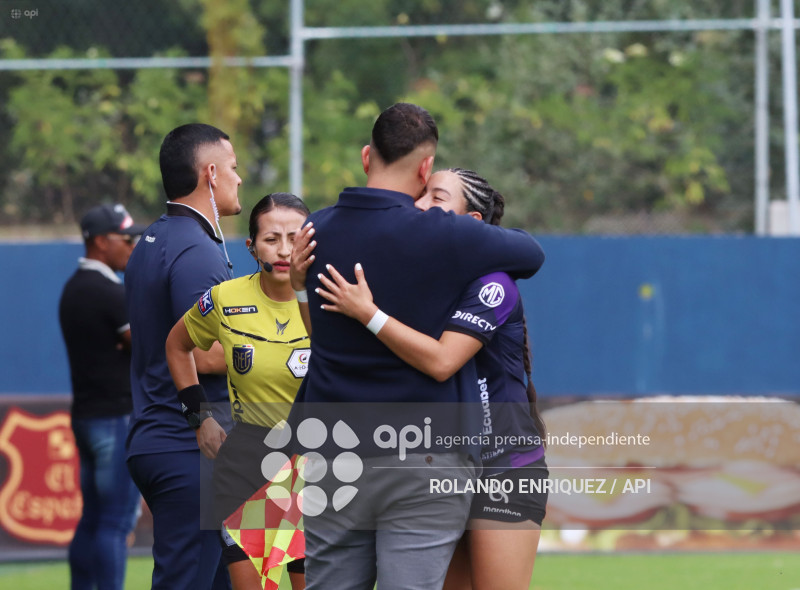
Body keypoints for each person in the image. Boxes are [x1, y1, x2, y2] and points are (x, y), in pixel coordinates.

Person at [286, 103, 545, 590]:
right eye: (426, 191)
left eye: (436, 197)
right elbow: (532, 252)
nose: (423, 203)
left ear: (366, 156)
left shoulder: (315, 232)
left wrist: (312, 291)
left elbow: (328, 342)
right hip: (425, 454)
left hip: (343, 452)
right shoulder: (445, 238)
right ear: (424, 167)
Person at [165, 193, 309, 590]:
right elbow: (176, 346)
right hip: (248, 462)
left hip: (316, 462)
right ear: (251, 247)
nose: (284, 250)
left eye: (294, 238)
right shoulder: (225, 299)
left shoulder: (333, 301)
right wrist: (199, 418)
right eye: (271, 239)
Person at [124, 123, 241, 590]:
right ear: (210, 174)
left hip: (167, 439)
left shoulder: (155, 238)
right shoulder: (196, 249)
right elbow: (205, 354)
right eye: (232, 168)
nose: (238, 178)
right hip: (187, 445)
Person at [58, 203, 145, 590]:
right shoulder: (109, 291)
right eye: (126, 239)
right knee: (115, 523)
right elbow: (145, 347)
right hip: (115, 418)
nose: (132, 247)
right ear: (100, 242)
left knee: (93, 518)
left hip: (86, 417)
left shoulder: (73, 288)